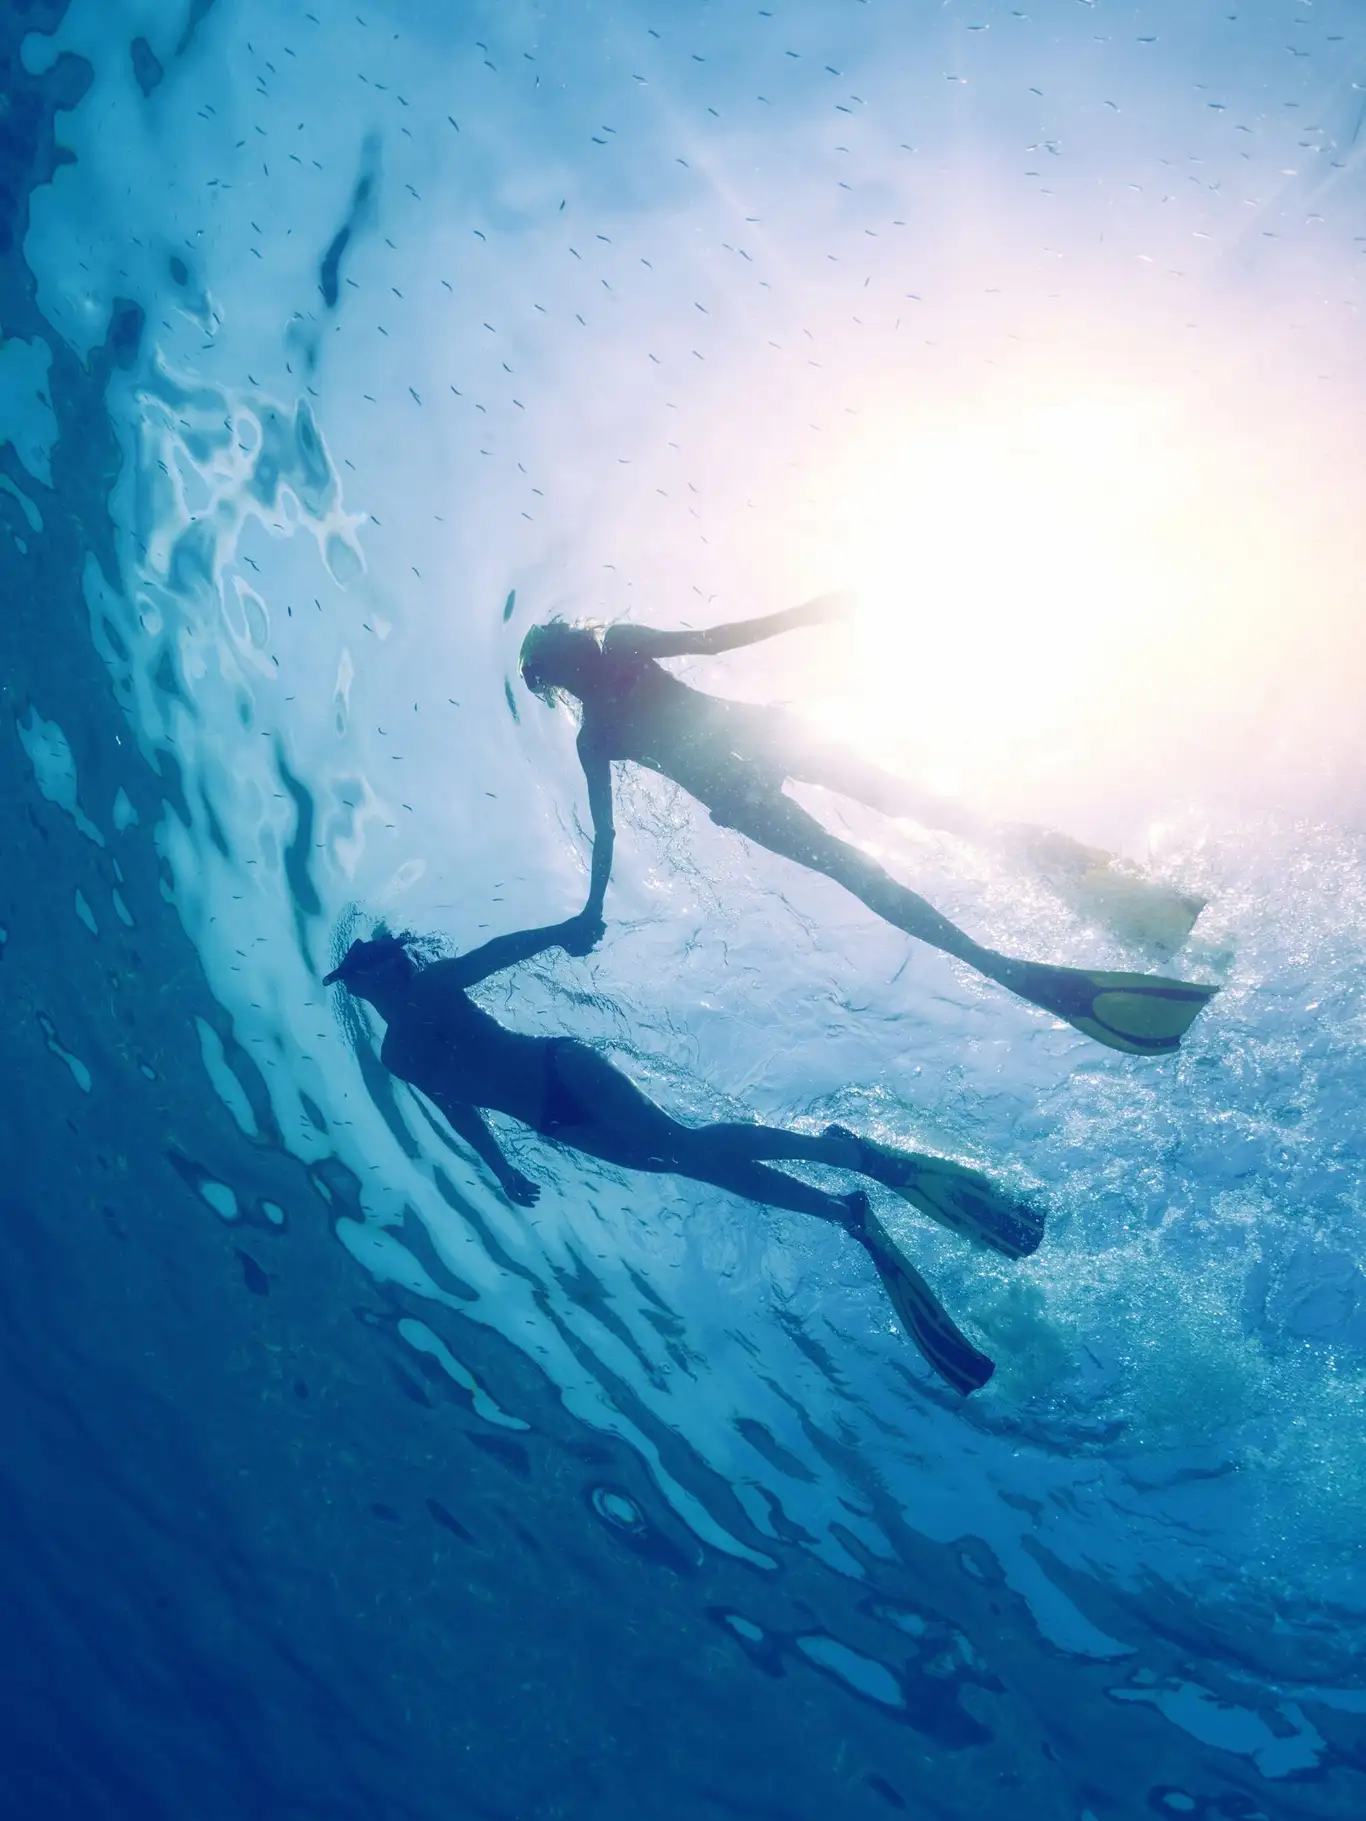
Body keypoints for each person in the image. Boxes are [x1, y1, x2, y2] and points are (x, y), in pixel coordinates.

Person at [325, 920, 1047, 1395]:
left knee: (682, 1144)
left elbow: (498, 953)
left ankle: (844, 1153)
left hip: (562, 1070)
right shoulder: (396, 1055)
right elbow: (458, 1106)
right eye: (360, 975)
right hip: (552, 1119)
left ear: (385, 967)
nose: (367, 980)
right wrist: (501, 1168)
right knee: (686, 1160)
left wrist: (566, 930)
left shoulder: (431, 986)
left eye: (368, 969)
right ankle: (843, 1209)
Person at [518, 597, 1217, 1056]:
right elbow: (607, 832)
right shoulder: (598, 726)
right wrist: (591, 908)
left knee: (907, 822)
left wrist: (808, 613)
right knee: (876, 855)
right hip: (749, 772)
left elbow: (716, 641)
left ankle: (1047, 900)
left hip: (757, 755)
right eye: (565, 654)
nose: (578, 654)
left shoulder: (614, 678)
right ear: (562, 671)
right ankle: (998, 962)